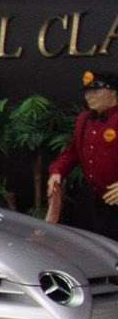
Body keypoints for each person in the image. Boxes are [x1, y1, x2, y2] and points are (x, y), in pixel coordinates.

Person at [46, 70, 118, 237]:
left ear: (114, 92)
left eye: (96, 91)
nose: (90, 96)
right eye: (87, 92)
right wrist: (57, 171)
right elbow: (72, 153)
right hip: (95, 203)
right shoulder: (84, 120)